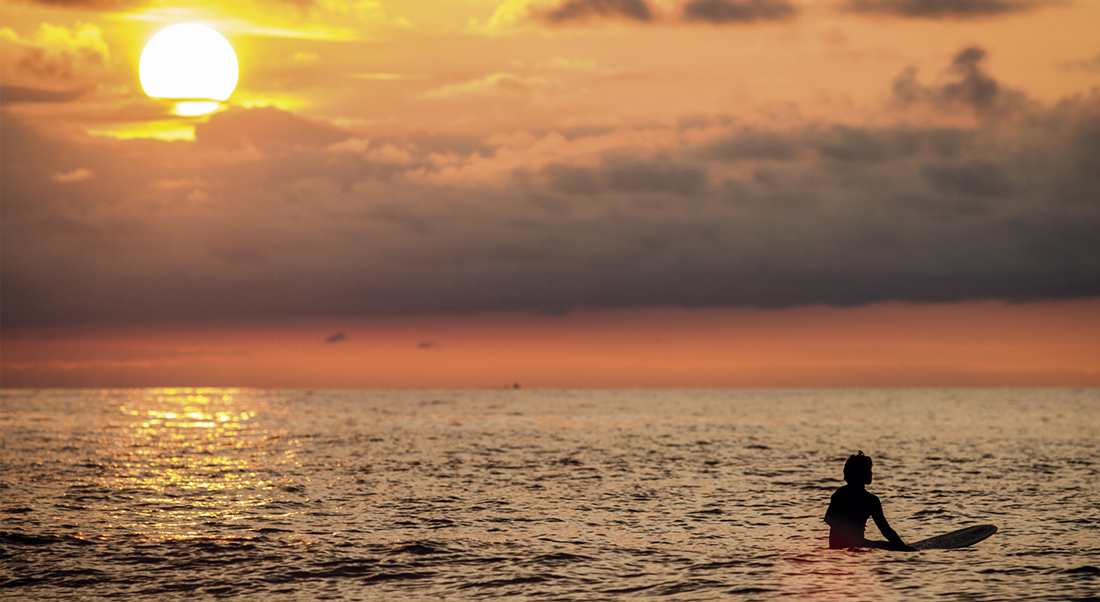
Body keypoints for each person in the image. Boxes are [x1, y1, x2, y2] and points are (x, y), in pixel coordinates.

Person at [824, 451, 915, 551]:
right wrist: (903, 547)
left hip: (835, 547)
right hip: (857, 545)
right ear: (861, 474)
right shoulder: (871, 500)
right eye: (868, 470)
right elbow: (885, 530)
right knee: (890, 546)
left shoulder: (839, 493)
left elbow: (829, 520)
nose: (871, 473)